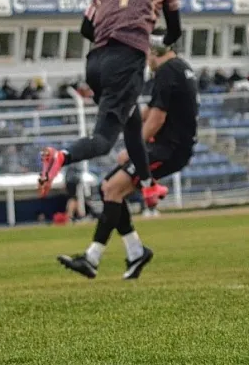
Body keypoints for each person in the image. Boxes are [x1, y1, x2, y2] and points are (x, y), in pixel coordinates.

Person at [38, 0, 181, 199]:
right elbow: (175, 32)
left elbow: (85, 28)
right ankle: (61, 156)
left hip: (95, 62)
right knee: (103, 141)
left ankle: (148, 185)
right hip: (126, 62)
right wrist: (151, 38)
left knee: (132, 123)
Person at [57, 30, 198, 280]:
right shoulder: (180, 68)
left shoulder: (166, 73)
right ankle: (134, 252)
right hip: (175, 147)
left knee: (112, 189)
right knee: (109, 188)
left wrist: (135, 148)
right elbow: (152, 111)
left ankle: (93, 257)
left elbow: (157, 119)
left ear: (155, 50)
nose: (144, 58)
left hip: (167, 148)